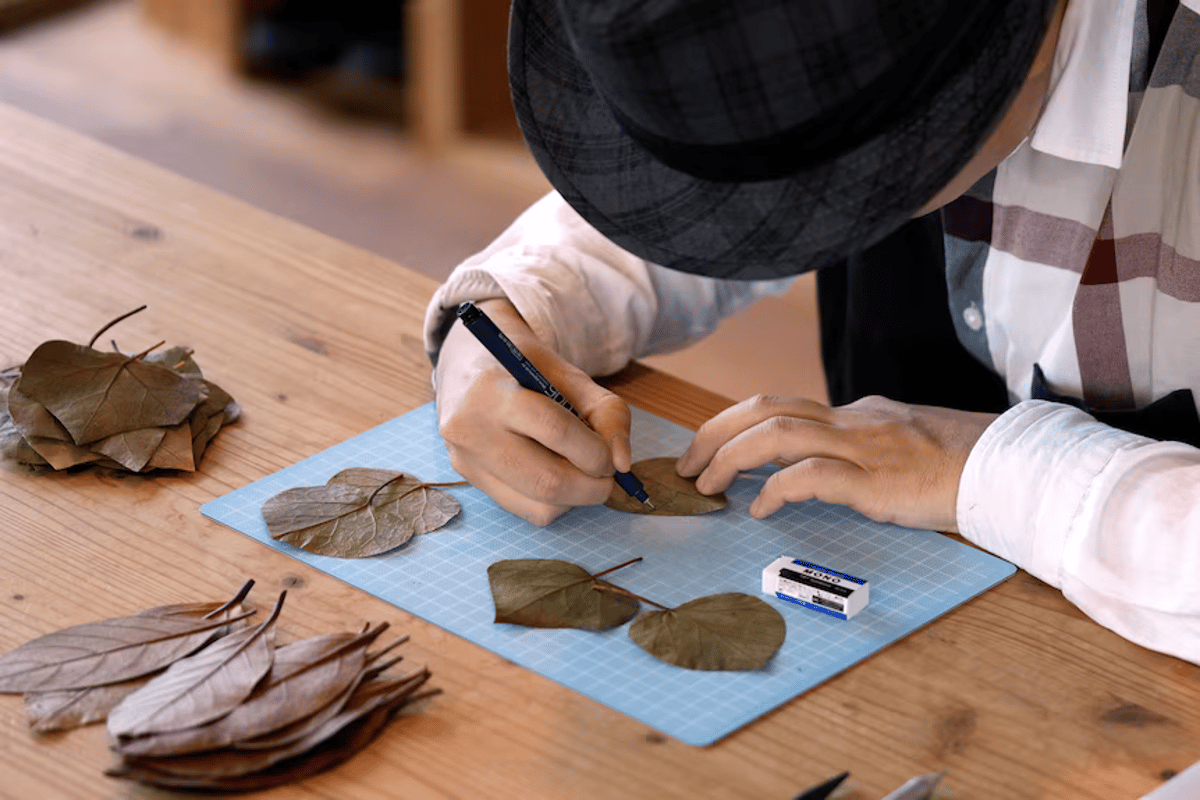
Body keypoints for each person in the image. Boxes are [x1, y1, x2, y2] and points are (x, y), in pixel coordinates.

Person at [422, 0, 1200, 664]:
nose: (774, 215)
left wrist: (991, 475)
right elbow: (711, 189)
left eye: (826, 193)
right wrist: (501, 316)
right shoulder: (848, 45)